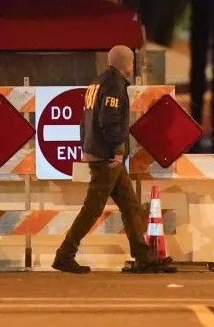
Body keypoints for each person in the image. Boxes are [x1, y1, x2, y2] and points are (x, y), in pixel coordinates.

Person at [52, 45, 173, 274]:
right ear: (126, 64)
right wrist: (118, 150)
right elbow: (110, 121)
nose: (133, 67)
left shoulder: (96, 83)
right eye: (131, 63)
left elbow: (85, 120)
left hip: (98, 152)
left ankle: (143, 257)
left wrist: (85, 147)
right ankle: (64, 255)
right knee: (93, 208)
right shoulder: (114, 85)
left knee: (130, 205)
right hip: (108, 157)